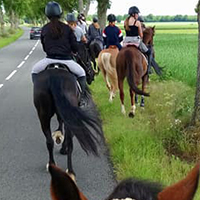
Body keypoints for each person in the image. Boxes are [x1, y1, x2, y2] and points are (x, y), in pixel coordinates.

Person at [31, 1, 87, 106]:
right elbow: (75, 47)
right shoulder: (67, 28)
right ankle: (82, 99)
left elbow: (44, 47)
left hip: (49, 59)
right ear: (60, 14)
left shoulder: (45, 29)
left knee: (34, 71)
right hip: (66, 60)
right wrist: (73, 51)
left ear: (47, 14)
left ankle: (38, 94)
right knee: (82, 74)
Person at [123, 6, 151, 74]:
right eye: (137, 13)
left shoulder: (125, 22)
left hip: (126, 42)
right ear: (133, 14)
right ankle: (148, 69)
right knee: (149, 52)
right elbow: (141, 35)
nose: (138, 15)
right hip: (136, 41)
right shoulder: (137, 22)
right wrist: (140, 37)